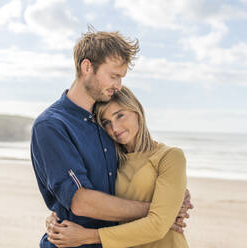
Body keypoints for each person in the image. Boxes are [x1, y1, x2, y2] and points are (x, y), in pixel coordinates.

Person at [31, 29, 192, 248]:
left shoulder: (102, 122)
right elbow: (80, 202)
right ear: (87, 67)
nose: (119, 85)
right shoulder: (52, 125)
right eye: (114, 75)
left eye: (121, 78)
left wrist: (173, 195)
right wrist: (161, 209)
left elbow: (140, 170)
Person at [46, 86, 189, 248]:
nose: (115, 128)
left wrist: (88, 236)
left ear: (137, 111)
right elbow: (94, 202)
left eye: (120, 115)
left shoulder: (169, 156)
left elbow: (158, 225)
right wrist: (57, 219)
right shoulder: (109, 161)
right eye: (106, 123)